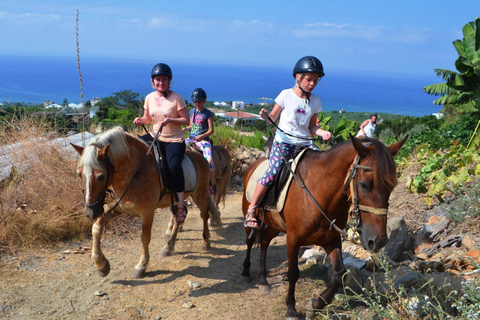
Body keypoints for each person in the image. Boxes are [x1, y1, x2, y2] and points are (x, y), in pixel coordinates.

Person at [244, 56, 332, 229]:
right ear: (298, 77)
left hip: (306, 143)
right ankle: (252, 209)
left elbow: (313, 126)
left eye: (315, 80)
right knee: (272, 173)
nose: (312, 84)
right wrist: (266, 117)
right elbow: (273, 117)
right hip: (284, 142)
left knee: (324, 169)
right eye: (309, 79)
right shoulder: (285, 95)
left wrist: (322, 133)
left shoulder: (315, 101)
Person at [133, 63, 190, 223]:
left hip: (174, 140)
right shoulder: (149, 97)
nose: (161, 82)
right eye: (158, 79)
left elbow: (186, 120)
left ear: (169, 81)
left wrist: (171, 119)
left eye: (164, 79)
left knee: (173, 166)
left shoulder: (177, 98)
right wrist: (140, 121)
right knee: (135, 149)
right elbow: (147, 119)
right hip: (155, 136)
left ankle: (180, 203)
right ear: (153, 81)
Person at [183, 88, 216, 195]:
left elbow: (211, 130)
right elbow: (191, 126)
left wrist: (202, 136)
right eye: (196, 102)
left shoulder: (208, 113)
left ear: (204, 101)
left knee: (209, 160)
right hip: (192, 138)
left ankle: (211, 183)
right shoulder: (192, 111)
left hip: (203, 141)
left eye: (200, 101)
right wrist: (185, 129)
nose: (198, 104)